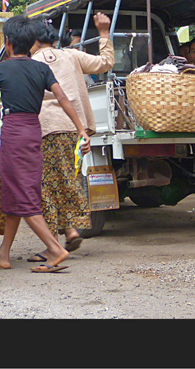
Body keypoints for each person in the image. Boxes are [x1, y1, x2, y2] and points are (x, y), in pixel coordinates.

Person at [0, 16, 91, 274]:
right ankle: (3, 254)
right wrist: (81, 129)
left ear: (7, 42)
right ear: (32, 43)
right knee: (17, 192)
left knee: (23, 196)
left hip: (14, 132)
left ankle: (55, 248)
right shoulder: (41, 69)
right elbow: (63, 98)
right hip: (33, 131)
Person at [28, 14, 115, 261]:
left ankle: (55, 241)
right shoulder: (72, 55)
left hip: (45, 128)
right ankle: (71, 229)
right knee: (69, 177)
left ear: (32, 40)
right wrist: (104, 33)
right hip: (74, 129)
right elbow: (105, 63)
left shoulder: (32, 61)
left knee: (46, 185)